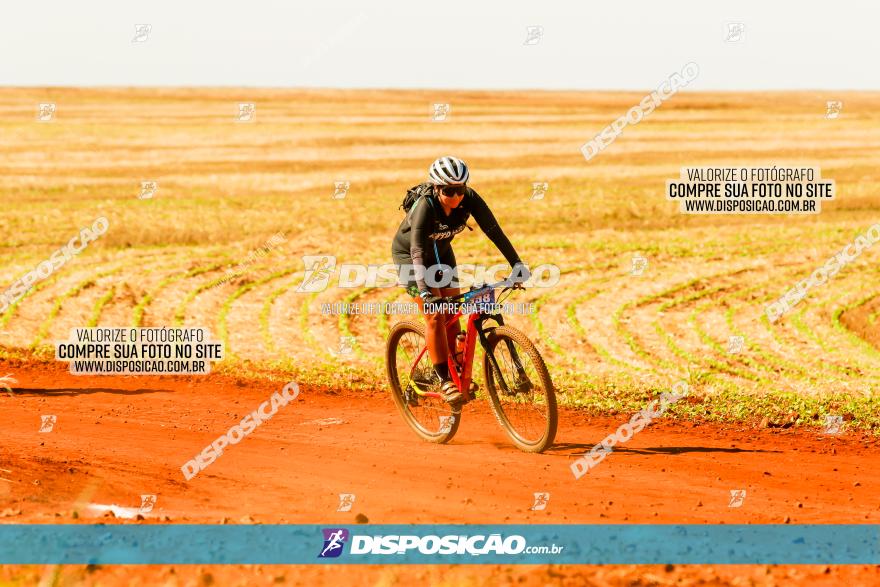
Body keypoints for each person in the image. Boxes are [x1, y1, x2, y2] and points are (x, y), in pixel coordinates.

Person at [391, 156, 530, 404]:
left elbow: (494, 231)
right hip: (411, 258)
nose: (456, 196)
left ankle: (455, 368)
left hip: (442, 254)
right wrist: (424, 291)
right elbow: (417, 252)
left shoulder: (470, 199)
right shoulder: (425, 206)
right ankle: (444, 381)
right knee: (435, 314)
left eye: (460, 189)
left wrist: (516, 263)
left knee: (454, 308)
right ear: (436, 188)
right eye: (449, 191)